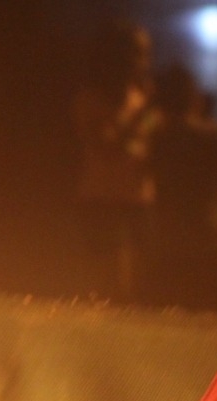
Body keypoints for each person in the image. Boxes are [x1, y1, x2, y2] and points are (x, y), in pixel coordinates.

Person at [71, 19, 156, 302]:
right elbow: (105, 143)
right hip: (103, 198)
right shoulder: (92, 98)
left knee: (138, 282)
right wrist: (140, 116)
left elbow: (148, 142)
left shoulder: (139, 94)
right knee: (108, 282)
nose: (144, 61)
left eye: (146, 53)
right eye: (138, 53)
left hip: (139, 198)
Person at [140, 64, 217, 311]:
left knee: (168, 308)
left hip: (168, 232)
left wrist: (150, 110)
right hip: (207, 228)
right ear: (192, 97)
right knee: (213, 307)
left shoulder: (157, 134)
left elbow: (142, 153)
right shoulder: (212, 133)